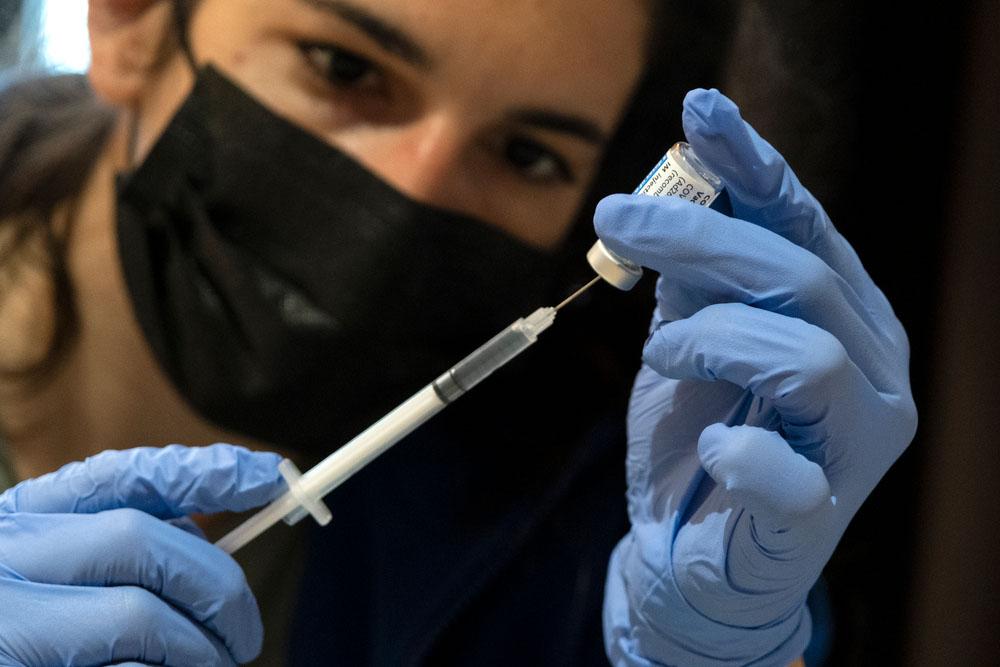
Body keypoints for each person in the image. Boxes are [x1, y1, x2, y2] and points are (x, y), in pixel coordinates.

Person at [0, 1, 915, 665]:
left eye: (528, 154)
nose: (416, 190)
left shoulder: (610, 536)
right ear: (130, 21)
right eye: (343, 65)